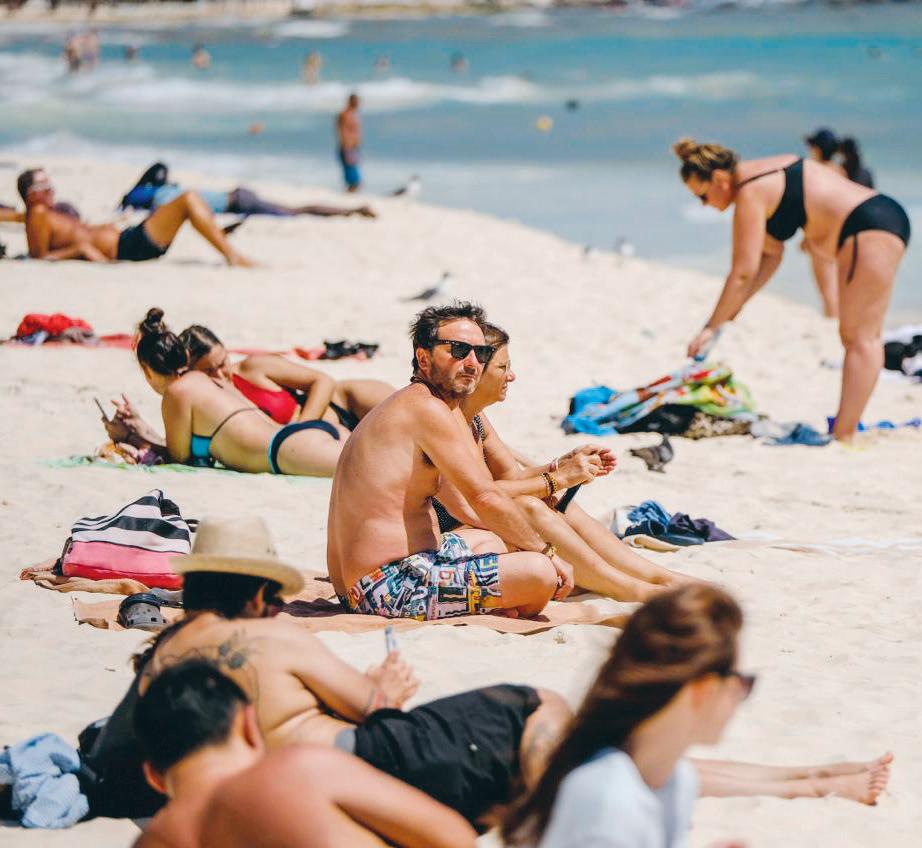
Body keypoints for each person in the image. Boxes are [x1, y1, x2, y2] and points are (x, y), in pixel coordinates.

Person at [133, 516, 570, 828]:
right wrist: (384, 685)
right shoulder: (271, 634)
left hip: (277, 795)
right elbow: (372, 708)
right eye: (274, 600)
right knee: (536, 705)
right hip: (366, 763)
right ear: (256, 596)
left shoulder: (159, 661)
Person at [501, 585, 892, 847]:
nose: (742, 695)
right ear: (703, 690)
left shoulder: (671, 781)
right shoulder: (606, 799)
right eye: (742, 681)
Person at [328, 302, 575, 621]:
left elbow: (470, 502)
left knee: (492, 539)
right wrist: (547, 552)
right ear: (424, 358)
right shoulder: (427, 409)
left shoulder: (415, 404)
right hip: (384, 586)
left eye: (480, 353)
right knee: (539, 571)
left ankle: (502, 601)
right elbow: (485, 497)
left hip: (365, 581)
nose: (472, 363)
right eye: (458, 350)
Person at [434, 322, 691, 602]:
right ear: (477, 372)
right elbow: (474, 497)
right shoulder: (443, 421)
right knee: (530, 505)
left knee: (554, 497)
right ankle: (624, 587)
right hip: (446, 536)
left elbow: (511, 476)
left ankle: (656, 576)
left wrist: (563, 466)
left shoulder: (475, 417)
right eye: (502, 368)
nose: (511, 376)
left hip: (475, 521)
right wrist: (557, 478)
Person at [674, 138, 910, 440]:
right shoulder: (765, 175)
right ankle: (844, 430)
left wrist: (710, 326)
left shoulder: (750, 191)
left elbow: (742, 272)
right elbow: (770, 256)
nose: (705, 205)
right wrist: (730, 312)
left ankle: (845, 435)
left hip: (867, 225)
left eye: (703, 196)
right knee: (860, 337)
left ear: (719, 179)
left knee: (860, 338)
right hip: (876, 217)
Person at [132, 660, 477, 848]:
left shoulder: (153, 841)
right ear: (249, 727)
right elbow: (453, 838)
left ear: (153, 775)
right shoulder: (300, 770)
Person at [106, 321, 394, 451]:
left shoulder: (252, 368)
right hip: (326, 437)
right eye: (209, 370)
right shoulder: (208, 400)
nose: (222, 373)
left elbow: (323, 381)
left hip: (345, 401)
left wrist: (300, 429)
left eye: (223, 361)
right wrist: (139, 433)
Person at [130, 308, 344, 475]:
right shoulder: (216, 384)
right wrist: (139, 429)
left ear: (147, 371)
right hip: (304, 436)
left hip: (288, 450)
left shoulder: (177, 392)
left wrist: (136, 436)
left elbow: (179, 461)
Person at [18, 168, 254, 266]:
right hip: (126, 247)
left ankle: (223, 242)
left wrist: (106, 227)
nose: (51, 190)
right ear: (31, 195)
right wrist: (80, 249)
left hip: (127, 240)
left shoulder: (46, 214)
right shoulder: (38, 213)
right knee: (188, 199)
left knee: (187, 200)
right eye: (44, 187)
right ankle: (232, 255)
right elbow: (39, 256)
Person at [118, 161, 376, 219]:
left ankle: (351, 210)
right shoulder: (169, 192)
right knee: (297, 209)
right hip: (237, 196)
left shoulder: (165, 201)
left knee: (298, 211)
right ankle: (351, 209)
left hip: (239, 202)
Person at [803, 128, 844, 317]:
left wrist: (808, 236)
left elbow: (812, 206)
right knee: (838, 284)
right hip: (841, 232)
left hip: (821, 234)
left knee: (827, 289)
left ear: (817, 149)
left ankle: (832, 321)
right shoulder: (840, 171)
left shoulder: (813, 171)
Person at [336, 93, 363, 193]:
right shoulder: (345, 114)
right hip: (348, 147)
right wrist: (347, 144)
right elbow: (341, 130)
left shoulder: (353, 114)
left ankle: (350, 193)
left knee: (353, 174)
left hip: (353, 146)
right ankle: (349, 193)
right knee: (353, 177)